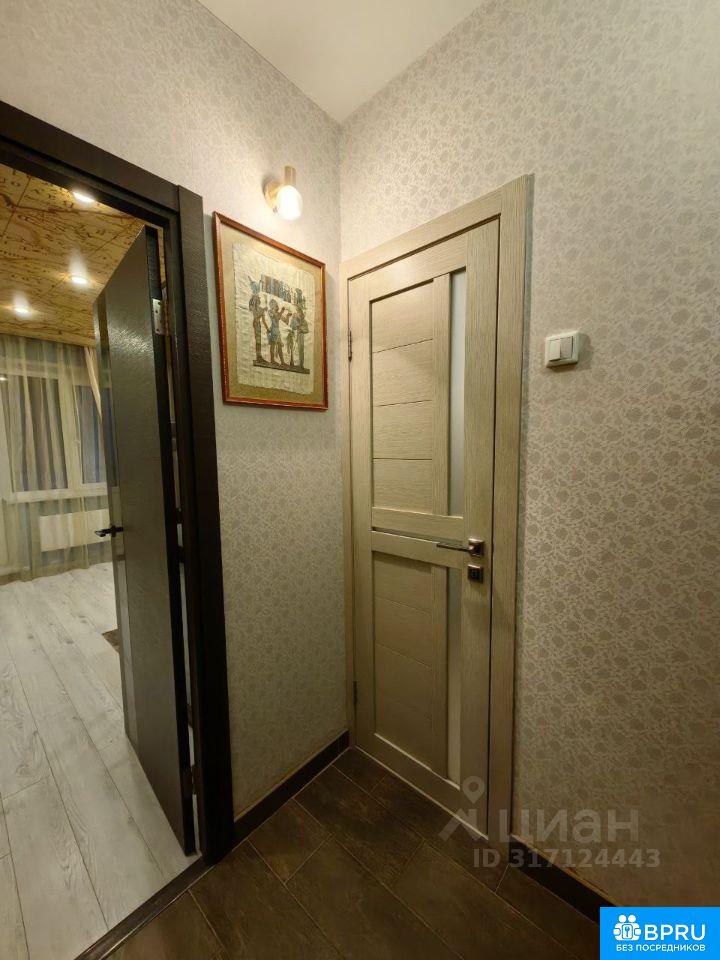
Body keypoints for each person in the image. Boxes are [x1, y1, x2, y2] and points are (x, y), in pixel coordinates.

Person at [267, 298, 289, 366]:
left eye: (277, 305)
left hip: (277, 331)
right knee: (273, 345)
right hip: (274, 330)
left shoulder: (278, 313)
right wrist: (281, 312)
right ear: (272, 306)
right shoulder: (270, 311)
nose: (278, 307)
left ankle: (282, 362)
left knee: (279, 346)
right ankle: (272, 360)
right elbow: (276, 318)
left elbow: (286, 322)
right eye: (276, 305)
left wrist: (287, 316)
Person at [248, 280, 266, 363]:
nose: (259, 300)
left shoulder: (255, 301)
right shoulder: (253, 299)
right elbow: (255, 314)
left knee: (259, 340)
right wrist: (263, 310)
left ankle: (259, 355)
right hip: (256, 322)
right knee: (258, 339)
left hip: (257, 322)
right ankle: (258, 356)